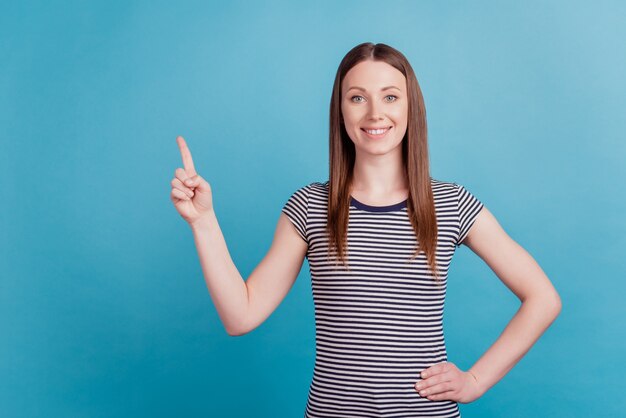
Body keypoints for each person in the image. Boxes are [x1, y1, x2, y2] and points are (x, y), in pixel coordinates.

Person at [170, 42, 562, 418]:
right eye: (358, 97)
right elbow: (241, 316)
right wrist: (203, 222)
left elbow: (543, 298)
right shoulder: (310, 207)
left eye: (390, 96)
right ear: (340, 111)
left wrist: (475, 380)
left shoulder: (451, 203)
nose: (375, 113)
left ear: (412, 108)